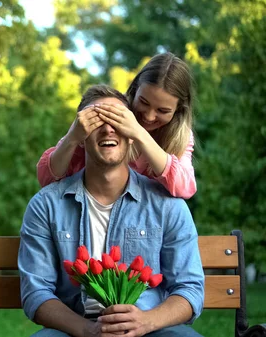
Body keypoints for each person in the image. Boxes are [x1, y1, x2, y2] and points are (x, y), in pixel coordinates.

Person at [18, 85, 204, 337]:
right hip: (76, 328)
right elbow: (36, 292)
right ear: (81, 136)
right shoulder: (46, 206)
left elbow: (190, 288)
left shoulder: (167, 205)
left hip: (149, 327)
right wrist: (88, 329)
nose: (107, 127)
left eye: (118, 120)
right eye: (96, 120)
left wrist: (146, 322)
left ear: (132, 134)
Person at [36, 52, 196, 199]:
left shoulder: (180, 136)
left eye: (162, 110)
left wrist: (139, 134)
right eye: (143, 102)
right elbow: (47, 178)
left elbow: (185, 188)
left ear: (178, 110)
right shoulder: (109, 113)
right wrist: (73, 137)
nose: (149, 116)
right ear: (135, 90)